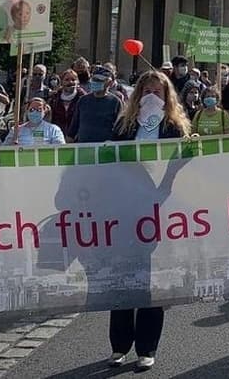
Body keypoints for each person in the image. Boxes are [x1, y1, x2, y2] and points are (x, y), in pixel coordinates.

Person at [109, 70, 190, 371]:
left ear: (167, 97)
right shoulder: (125, 125)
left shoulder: (174, 127)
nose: (152, 97)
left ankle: (146, 347)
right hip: (125, 206)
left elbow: (182, 165)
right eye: (147, 92)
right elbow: (109, 158)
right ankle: (119, 345)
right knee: (122, 276)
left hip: (158, 207)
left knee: (151, 279)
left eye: (158, 92)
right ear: (138, 95)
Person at [65, 66, 123, 143]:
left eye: (100, 80)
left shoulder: (115, 102)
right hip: (83, 147)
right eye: (94, 79)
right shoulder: (83, 100)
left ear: (109, 83)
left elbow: (120, 129)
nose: (96, 82)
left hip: (105, 148)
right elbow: (73, 127)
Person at [49, 69, 85, 134]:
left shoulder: (83, 99)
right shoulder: (54, 98)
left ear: (78, 82)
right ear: (62, 82)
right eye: (67, 80)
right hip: (57, 135)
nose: (70, 82)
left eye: (73, 79)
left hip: (77, 137)